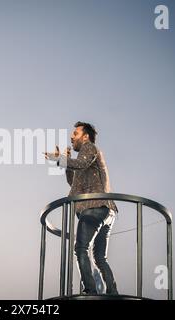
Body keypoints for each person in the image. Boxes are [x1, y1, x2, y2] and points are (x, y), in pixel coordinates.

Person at [44, 121, 119, 295]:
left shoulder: (89, 147)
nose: (72, 137)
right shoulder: (84, 158)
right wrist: (66, 163)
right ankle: (113, 293)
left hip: (95, 207)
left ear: (85, 136)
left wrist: (61, 160)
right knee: (100, 257)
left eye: (75, 134)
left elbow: (81, 164)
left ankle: (91, 291)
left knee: (80, 249)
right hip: (106, 209)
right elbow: (74, 182)